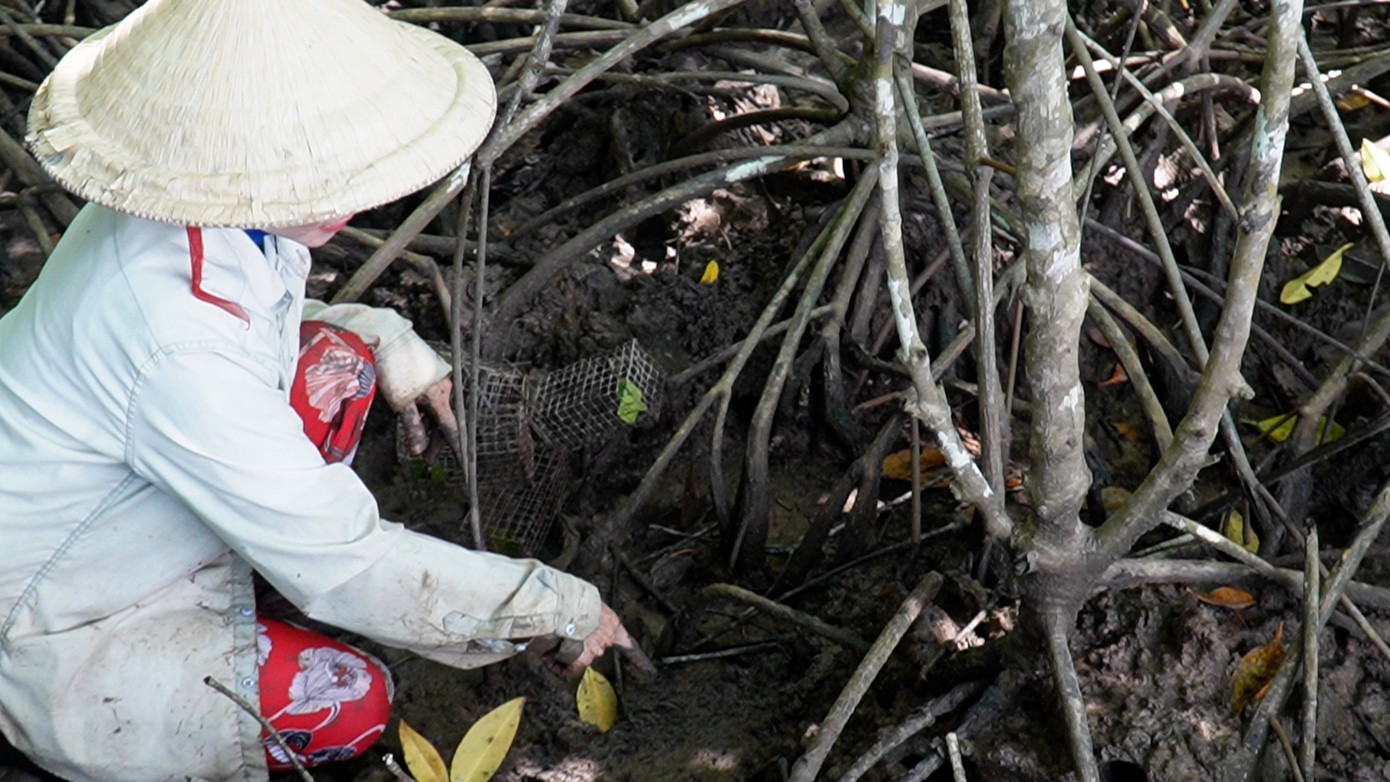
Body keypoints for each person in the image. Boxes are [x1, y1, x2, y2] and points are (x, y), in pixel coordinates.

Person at [0, 1, 634, 780]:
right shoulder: (176, 342)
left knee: (338, 361)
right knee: (345, 699)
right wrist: (560, 606)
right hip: (60, 613)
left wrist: (390, 337)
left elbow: (245, 322)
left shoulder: (199, 200)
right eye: (303, 169)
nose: (340, 192)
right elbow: (350, 567)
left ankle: (263, 585)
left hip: (124, 506)